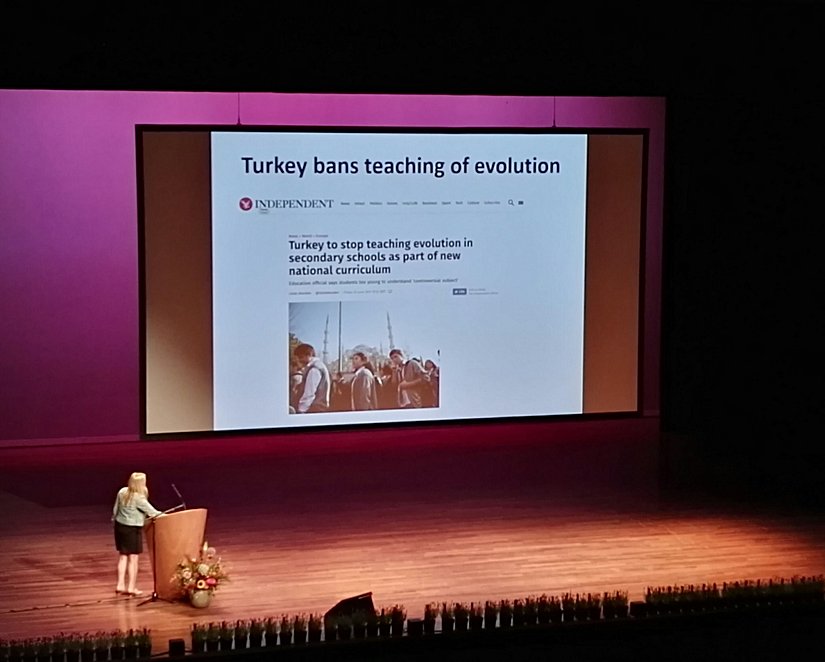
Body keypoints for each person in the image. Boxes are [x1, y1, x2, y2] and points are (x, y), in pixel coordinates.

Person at [112, 472, 162, 597]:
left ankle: (120, 585)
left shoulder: (122, 492)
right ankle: (131, 587)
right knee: (133, 559)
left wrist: (115, 521)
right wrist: (168, 516)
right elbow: (153, 513)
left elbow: (115, 510)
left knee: (123, 556)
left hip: (120, 527)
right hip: (132, 529)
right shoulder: (139, 498)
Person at [293, 343, 331, 413]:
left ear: (308, 355)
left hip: (315, 408)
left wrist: (301, 410)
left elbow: (309, 394)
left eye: (300, 357)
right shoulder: (319, 366)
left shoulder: (314, 369)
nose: (298, 361)